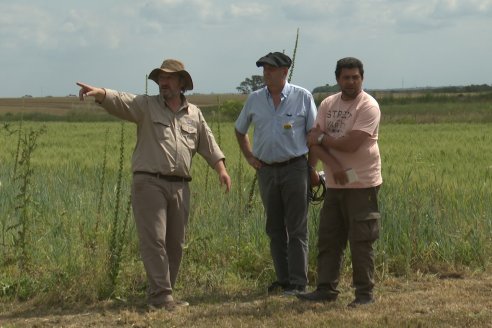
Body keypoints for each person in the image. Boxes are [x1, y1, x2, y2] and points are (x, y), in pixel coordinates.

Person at [76, 59, 231, 310]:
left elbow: (208, 143)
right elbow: (121, 100)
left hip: (180, 185)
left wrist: (221, 169)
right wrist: (101, 94)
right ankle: (161, 297)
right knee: (155, 240)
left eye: (169, 78)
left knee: (175, 244)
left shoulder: (194, 114)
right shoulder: (146, 106)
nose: (163, 82)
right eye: (160, 78)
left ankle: (163, 294)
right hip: (149, 183)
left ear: (181, 83)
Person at [297, 57, 382, 307]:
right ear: (338, 79)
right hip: (335, 183)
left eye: (356, 77)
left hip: (363, 184)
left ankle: (364, 294)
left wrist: (322, 138)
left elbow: (352, 143)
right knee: (329, 238)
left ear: (362, 78)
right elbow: (312, 141)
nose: (351, 81)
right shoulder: (328, 103)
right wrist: (331, 164)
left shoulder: (368, 106)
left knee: (361, 241)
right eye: (346, 77)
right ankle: (325, 289)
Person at [235, 52, 317, 295]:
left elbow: (314, 136)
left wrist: (311, 169)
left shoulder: (302, 97)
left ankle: (298, 282)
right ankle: (283, 280)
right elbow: (240, 130)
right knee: (274, 228)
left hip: (295, 169)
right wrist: (250, 157)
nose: (266, 73)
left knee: (297, 228)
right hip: (267, 171)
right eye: (264, 69)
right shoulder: (255, 99)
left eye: (271, 69)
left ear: (284, 72)